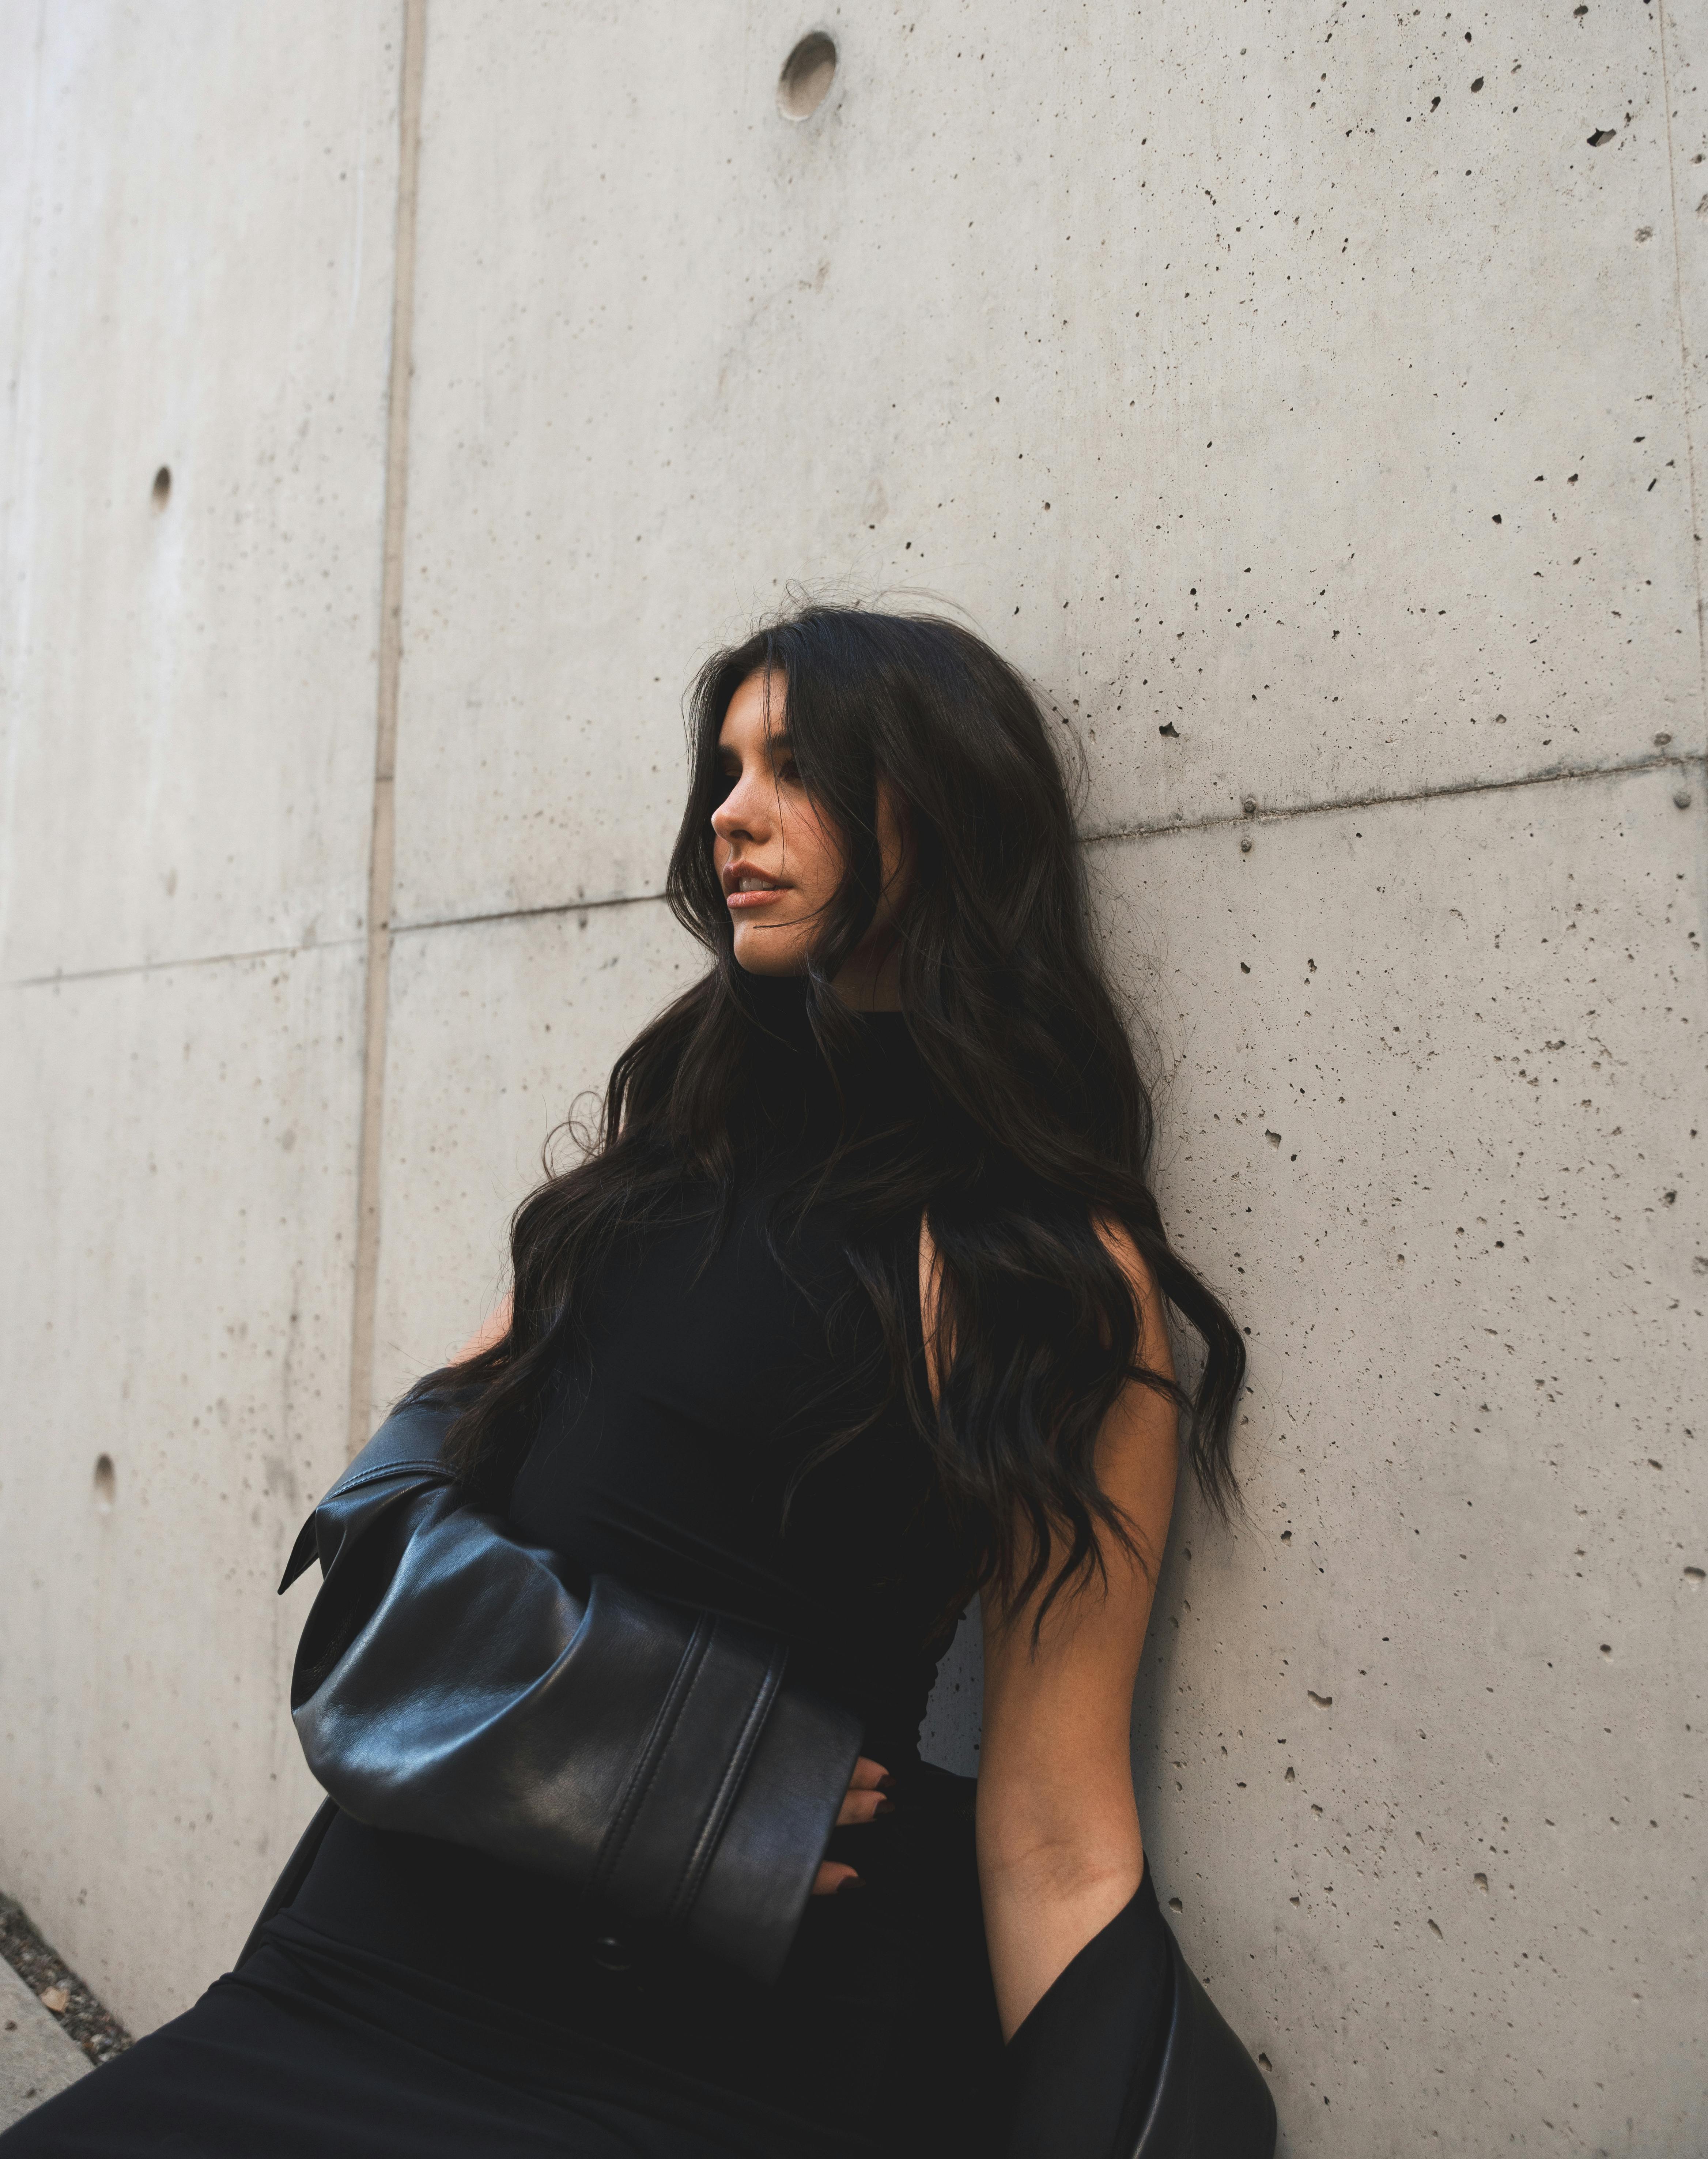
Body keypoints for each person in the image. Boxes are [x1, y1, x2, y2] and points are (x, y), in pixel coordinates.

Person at [6, 604, 1252, 2158]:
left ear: (937, 811)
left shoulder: (1040, 1276)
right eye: (726, 767)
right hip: (373, 1958)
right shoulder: (667, 1152)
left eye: (796, 767)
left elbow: (1057, 1825)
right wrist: (657, 1749)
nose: (731, 811)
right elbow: (386, 1513)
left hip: (695, 2051)